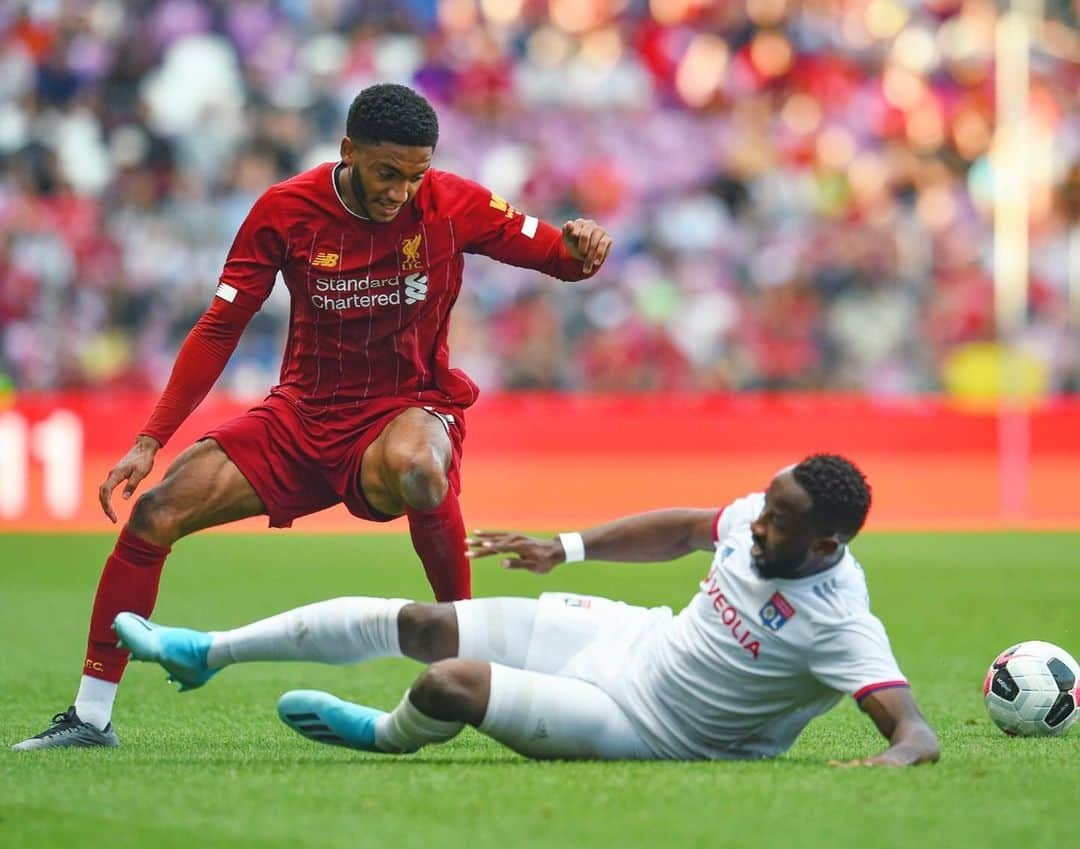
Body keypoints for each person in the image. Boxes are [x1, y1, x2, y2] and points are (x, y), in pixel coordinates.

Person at [13, 83, 613, 751]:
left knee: (420, 468)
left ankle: (462, 646)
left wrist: (583, 244)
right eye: (388, 172)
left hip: (405, 408)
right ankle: (90, 718)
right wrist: (149, 439)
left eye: (415, 175)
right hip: (301, 416)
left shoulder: (454, 203)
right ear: (348, 150)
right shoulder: (285, 210)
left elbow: (562, 258)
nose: (401, 191)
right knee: (155, 513)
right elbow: (220, 327)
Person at [101, 455, 939, 765]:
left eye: (781, 523)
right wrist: (565, 547)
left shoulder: (840, 620)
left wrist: (885, 763)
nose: (758, 523)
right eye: (765, 507)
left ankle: (381, 734)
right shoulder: (764, 517)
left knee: (449, 683)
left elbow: (915, 732)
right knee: (429, 622)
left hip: (646, 723)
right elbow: (687, 527)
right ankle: (203, 650)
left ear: (827, 541)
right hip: (628, 636)